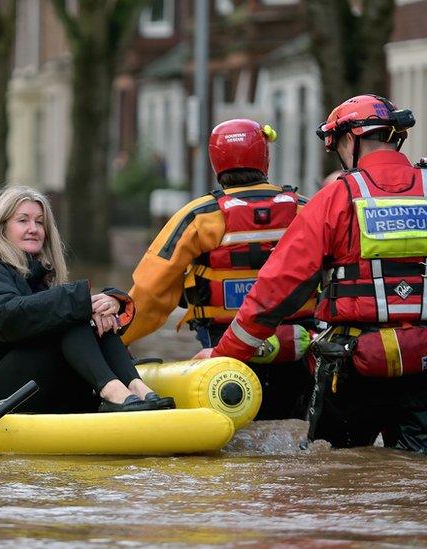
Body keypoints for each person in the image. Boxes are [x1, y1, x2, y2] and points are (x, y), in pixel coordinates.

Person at [201, 94, 427, 454]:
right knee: (424, 482)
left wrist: (225, 355)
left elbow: (277, 291)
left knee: (333, 473)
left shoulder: (334, 199)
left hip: (354, 366)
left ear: (347, 140)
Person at [122, 119, 315, 420]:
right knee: (293, 423)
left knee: (239, 424)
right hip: (300, 342)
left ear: (215, 162)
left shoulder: (199, 216)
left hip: (224, 344)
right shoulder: (306, 209)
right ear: (265, 157)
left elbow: (151, 290)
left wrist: (119, 340)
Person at [0, 185, 173, 413]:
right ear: (2, 229)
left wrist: (111, 302)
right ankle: (112, 393)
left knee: (81, 314)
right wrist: (79, 304)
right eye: (23, 221)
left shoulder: (41, 275)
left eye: (40, 222)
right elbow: (6, 318)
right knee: (68, 314)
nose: (34, 229)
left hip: (34, 381)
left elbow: (61, 310)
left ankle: (135, 387)